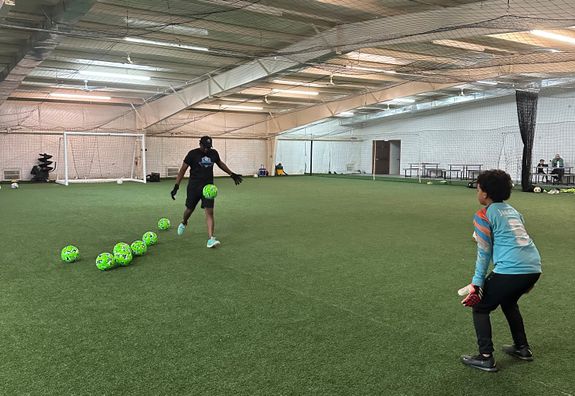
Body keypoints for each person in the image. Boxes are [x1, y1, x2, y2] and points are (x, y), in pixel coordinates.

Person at [460, 169, 542, 372]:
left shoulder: (484, 214)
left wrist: (476, 283)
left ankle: (485, 357)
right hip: (533, 267)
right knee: (508, 302)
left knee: (480, 307)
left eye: (478, 189)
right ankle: (522, 348)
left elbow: (484, 252)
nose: (477, 193)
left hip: (511, 270)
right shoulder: (513, 211)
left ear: (485, 193)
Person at [170, 136, 243, 248]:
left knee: (210, 212)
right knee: (189, 209)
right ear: (200, 144)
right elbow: (183, 170)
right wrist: (176, 186)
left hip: (208, 188)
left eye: (208, 147)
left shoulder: (213, 153)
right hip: (194, 187)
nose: (206, 150)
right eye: (205, 147)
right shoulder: (192, 154)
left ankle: (211, 239)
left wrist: (231, 174)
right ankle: (184, 222)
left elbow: (220, 164)